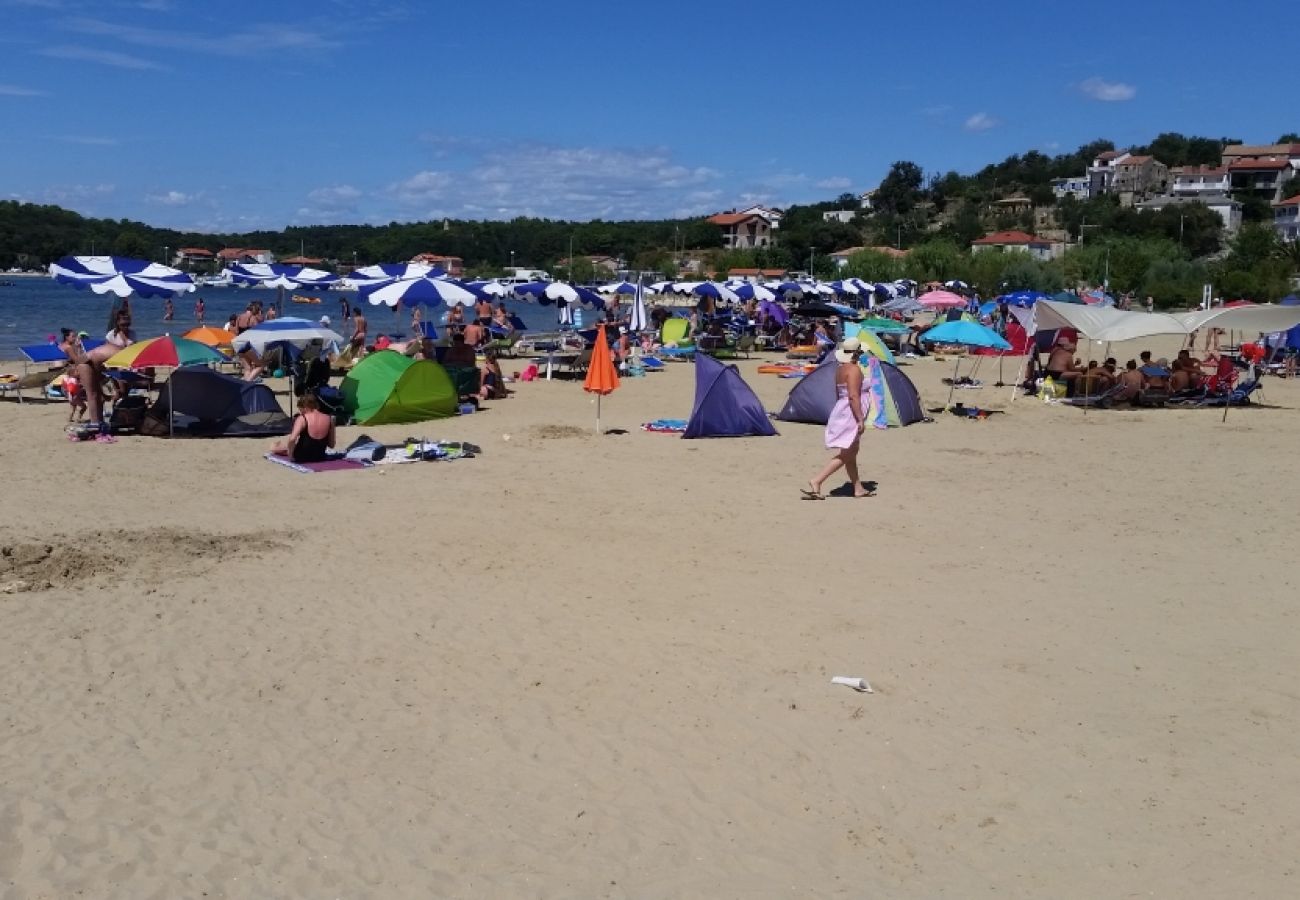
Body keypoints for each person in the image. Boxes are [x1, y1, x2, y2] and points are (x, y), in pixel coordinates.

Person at [804, 337, 871, 500]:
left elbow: (839, 394)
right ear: (857, 353)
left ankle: (858, 487)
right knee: (849, 451)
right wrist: (860, 419)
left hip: (843, 409)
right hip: (850, 412)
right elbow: (853, 396)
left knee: (850, 450)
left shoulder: (841, 370)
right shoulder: (854, 370)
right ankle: (817, 480)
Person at [270, 392, 335, 463]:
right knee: (287, 446)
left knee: (275, 448)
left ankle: (276, 446)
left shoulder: (303, 418)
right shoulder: (329, 419)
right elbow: (331, 445)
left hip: (302, 457)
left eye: (301, 410)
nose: (301, 413)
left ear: (305, 407)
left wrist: (290, 455)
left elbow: (292, 439)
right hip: (320, 456)